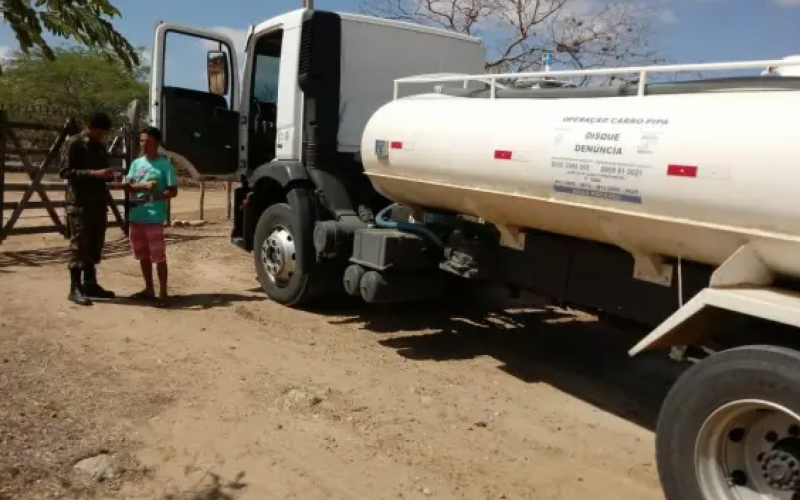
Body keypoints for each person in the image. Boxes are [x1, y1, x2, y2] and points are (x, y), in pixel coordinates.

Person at [59, 112, 117, 306]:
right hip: (80, 205)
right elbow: (65, 172)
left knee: (94, 245)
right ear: (90, 127)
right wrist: (94, 173)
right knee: (79, 247)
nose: (102, 136)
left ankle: (90, 284)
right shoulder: (74, 143)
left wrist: (108, 175)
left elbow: (102, 171)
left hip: (98, 204)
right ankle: (74, 288)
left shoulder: (99, 147)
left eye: (104, 132)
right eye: (100, 131)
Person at [125, 126, 178, 307]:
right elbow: (129, 185)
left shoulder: (165, 165)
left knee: (158, 256)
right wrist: (144, 187)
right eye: (141, 141)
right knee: (142, 256)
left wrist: (155, 196)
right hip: (136, 216)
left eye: (146, 141)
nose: (143, 144)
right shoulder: (136, 164)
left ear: (156, 143)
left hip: (154, 218)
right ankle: (149, 289)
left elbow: (173, 191)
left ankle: (163, 294)